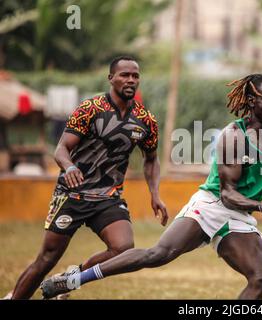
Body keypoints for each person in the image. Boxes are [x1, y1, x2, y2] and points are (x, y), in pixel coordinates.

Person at [40, 73, 262, 299]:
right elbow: (227, 192)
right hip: (212, 205)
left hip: (240, 216)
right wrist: (259, 206)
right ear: (252, 101)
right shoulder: (234, 136)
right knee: (157, 255)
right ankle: (75, 279)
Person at [9, 56, 168, 299]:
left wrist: (155, 194)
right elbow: (61, 148)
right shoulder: (91, 109)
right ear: (111, 78)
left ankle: (72, 278)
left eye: (135, 76)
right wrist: (69, 167)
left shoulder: (146, 120)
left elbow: (151, 158)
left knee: (123, 249)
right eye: (124, 74)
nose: (130, 80)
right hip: (72, 194)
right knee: (47, 258)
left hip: (108, 196)